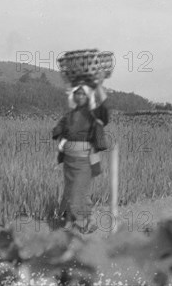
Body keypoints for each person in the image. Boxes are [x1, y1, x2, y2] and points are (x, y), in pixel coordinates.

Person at [52, 72, 109, 234]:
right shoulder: (69, 116)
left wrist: (98, 86)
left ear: (88, 96)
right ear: (73, 96)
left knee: (79, 192)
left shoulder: (93, 115)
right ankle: (71, 221)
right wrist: (60, 136)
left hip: (85, 160)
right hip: (69, 161)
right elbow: (57, 132)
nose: (80, 96)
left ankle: (84, 222)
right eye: (77, 93)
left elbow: (104, 112)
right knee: (71, 191)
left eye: (83, 93)